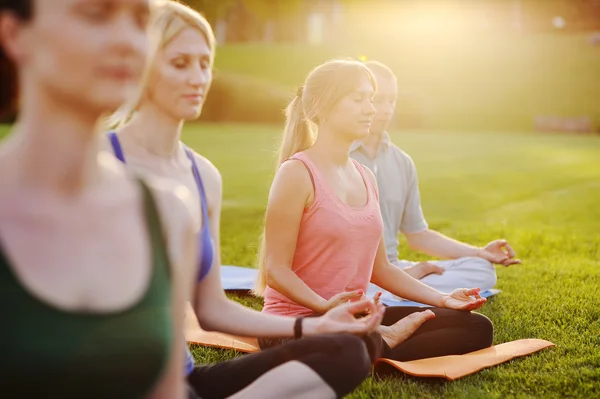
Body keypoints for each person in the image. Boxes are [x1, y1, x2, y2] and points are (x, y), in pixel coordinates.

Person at [102, 2, 385, 399]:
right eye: (180, 62)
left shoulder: (203, 176)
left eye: (205, 63)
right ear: (140, 64)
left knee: (348, 351)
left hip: (184, 380)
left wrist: (316, 325)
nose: (199, 77)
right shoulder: (99, 160)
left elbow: (212, 309)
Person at [0, 0, 198, 397]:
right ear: (15, 34)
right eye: (96, 14)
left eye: (141, 19)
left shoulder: (170, 213)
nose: (128, 40)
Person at [254, 59, 495, 363]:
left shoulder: (365, 176)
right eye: (359, 99)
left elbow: (381, 269)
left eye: (371, 98)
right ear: (320, 105)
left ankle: (376, 341)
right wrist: (325, 307)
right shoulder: (297, 173)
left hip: (354, 319)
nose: (371, 108)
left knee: (475, 327)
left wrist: (444, 299)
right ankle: (378, 340)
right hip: (294, 323)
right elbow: (276, 271)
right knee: (347, 344)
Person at [349, 60, 521, 296]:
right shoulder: (339, 157)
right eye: (379, 99)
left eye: (392, 100)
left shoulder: (402, 162)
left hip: (394, 269)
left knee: (481, 269)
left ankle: (401, 287)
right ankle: (399, 288)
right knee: (355, 285)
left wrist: (480, 252)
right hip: (353, 274)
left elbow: (418, 236)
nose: (387, 109)